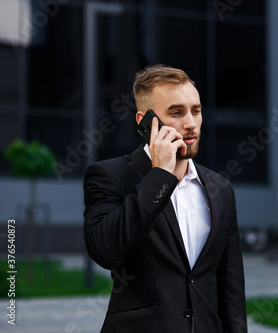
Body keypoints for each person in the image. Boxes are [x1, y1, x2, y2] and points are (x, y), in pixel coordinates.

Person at [83, 64, 247, 333]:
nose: (191, 123)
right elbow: (105, 250)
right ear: (144, 122)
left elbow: (231, 287)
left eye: (196, 110)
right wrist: (159, 175)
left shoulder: (221, 188)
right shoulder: (108, 175)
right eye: (176, 112)